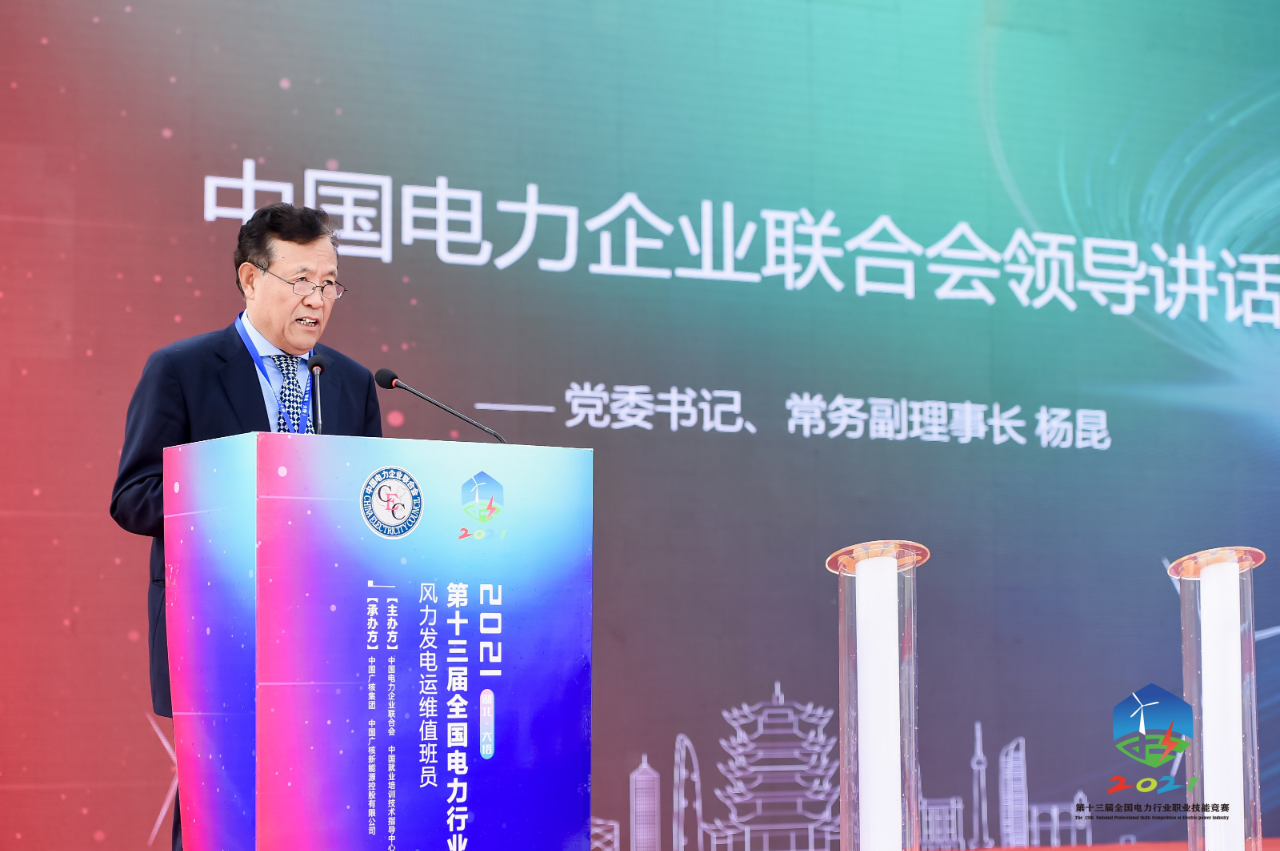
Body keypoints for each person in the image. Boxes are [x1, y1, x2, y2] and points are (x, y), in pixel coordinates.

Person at [109, 204, 382, 850]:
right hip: (220, 635)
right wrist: (244, 497)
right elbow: (133, 496)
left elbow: (367, 507)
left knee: (324, 820)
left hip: (327, 641)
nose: (317, 299)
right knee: (222, 823)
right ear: (250, 279)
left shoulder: (351, 383)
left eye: (329, 283)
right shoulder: (182, 369)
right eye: (301, 280)